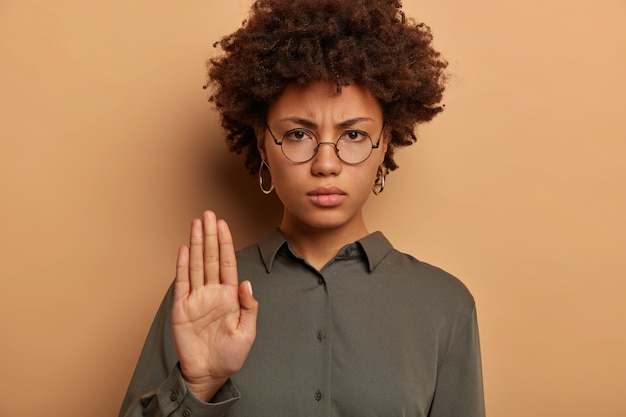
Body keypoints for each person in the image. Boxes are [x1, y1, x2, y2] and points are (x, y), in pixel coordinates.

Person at [119, 0, 485, 416]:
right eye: (297, 134)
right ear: (262, 144)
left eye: (353, 135)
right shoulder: (202, 297)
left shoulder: (445, 306)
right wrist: (198, 386)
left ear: (384, 143)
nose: (325, 164)